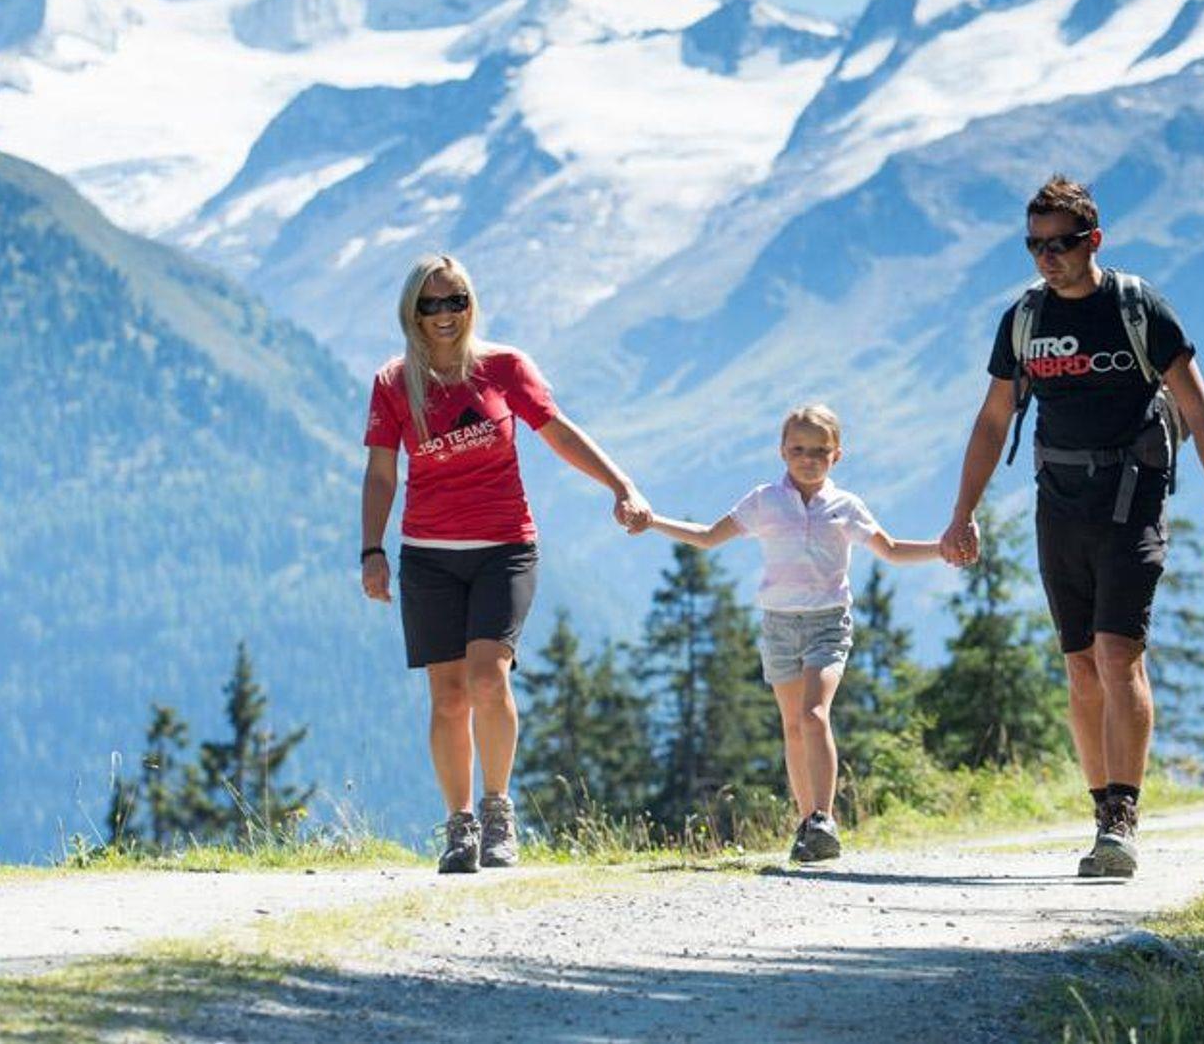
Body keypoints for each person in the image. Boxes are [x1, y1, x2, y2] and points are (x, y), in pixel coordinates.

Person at [938, 175, 1204, 879]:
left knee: (1118, 654)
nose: (1047, 257)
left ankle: (1122, 818)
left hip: (1132, 497)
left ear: (1094, 240)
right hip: (1058, 503)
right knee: (1080, 664)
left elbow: (1199, 410)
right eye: (1035, 245)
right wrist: (963, 513)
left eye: (1061, 244)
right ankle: (1100, 808)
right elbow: (993, 421)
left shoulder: (1139, 308)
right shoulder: (1024, 320)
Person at [360, 253, 652, 874]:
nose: (445, 314)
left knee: (489, 678)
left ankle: (498, 814)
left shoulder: (504, 367)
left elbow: (559, 431)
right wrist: (372, 550)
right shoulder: (394, 382)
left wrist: (621, 485)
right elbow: (382, 472)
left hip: (505, 548)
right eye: (431, 304)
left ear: (472, 304)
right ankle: (459, 827)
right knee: (447, 696)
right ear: (412, 312)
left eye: (456, 300)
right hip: (429, 556)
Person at [634, 403, 948, 862]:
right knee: (793, 727)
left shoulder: (846, 507)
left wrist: (944, 549)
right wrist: (652, 520)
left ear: (837, 454)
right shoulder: (765, 501)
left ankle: (824, 819)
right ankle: (807, 826)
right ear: (782, 451)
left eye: (820, 451)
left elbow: (893, 550)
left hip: (827, 623)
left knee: (815, 715)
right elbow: (706, 536)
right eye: (799, 449)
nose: (809, 459)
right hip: (778, 625)